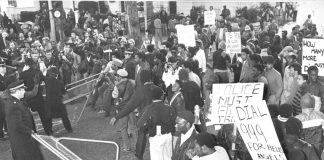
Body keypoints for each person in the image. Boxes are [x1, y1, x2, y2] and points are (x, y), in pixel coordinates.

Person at [110, 70, 155, 160]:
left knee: (135, 131)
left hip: (144, 117)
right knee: (135, 128)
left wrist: (116, 117)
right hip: (156, 119)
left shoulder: (141, 90)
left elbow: (129, 106)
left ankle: (138, 154)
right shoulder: (156, 88)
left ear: (141, 78)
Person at [3, 80, 44, 160]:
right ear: (16, 91)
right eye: (22, 89)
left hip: (23, 139)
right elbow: (17, 125)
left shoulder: (15, 101)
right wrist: (30, 131)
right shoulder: (13, 105)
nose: (24, 91)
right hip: (23, 140)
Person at [137, 86, 176, 160]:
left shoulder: (148, 109)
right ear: (162, 96)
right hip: (168, 136)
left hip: (156, 137)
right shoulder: (169, 107)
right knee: (168, 157)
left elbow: (139, 124)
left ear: (151, 97)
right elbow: (174, 121)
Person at [44, 66, 73, 135]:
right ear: (56, 74)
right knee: (64, 116)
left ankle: (49, 131)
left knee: (48, 117)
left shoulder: (47, 81)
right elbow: (63, 92)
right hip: (58, 101)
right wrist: (64, 89)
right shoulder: (59, 82)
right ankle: (69, 129)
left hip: (49, 101)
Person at [112, 69, 136, 151]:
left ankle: (127, 147)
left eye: (117, 76)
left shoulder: (117, 86)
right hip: (132, 107)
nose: (116, 77)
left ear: (120, 76)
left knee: (123, 128)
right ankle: (137, 146)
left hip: (122, 109)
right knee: (134, 127)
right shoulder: (133, 82)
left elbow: (114, 96)